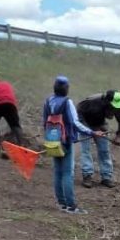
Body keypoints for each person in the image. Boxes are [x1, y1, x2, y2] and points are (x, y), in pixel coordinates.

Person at [43, 76, 105, 215]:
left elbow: (44, 121)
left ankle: (61, 204)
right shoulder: (67, 102)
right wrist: (92, 132)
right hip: (65, 141)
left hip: (52, 140)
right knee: (67, 173)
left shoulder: (48, 101)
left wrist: (50, 137)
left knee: (58, 172)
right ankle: (71, 206)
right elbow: (75, 123)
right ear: (66, 88)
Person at [77, 90, 120, 188]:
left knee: (104, 150)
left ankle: (106, 177)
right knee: (85, 150)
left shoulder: (118, 104)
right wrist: (89, 131)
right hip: (85, 124)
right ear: (107, 102)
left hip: (100, 123)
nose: (115, 109)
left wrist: (119, 135)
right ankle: (87, 175)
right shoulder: (92, 102)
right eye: (113, 107)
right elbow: (78, 113)